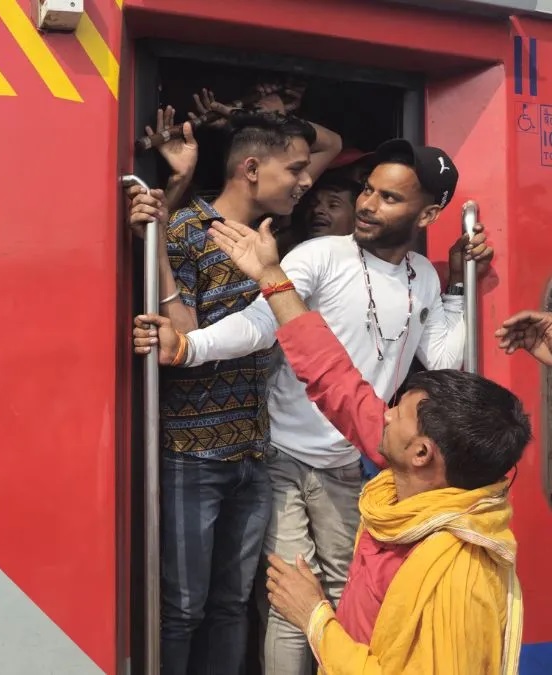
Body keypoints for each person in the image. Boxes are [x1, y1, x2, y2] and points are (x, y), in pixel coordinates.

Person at [133, 139, 493, 675]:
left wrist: (461, 285)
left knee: (347, 598)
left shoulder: (422, 274)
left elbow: (444, 358)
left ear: (430, 213)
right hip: (280, 458)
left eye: (389, 198)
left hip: (355, 463)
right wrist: (190, 347)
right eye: (368, 191)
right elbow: (262, 323)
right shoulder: (319, 255)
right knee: (286, 602)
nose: (369, 205)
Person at [126, 108, 341, 675]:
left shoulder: (276, 241)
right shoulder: (184, 230)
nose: (306, 181)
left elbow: (328, 143)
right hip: (192, 454)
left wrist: (244, 112)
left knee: (231, 605)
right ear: (250, 168)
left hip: (253, 451)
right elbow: (189, 340)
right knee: (184, 609)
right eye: (293, 169)